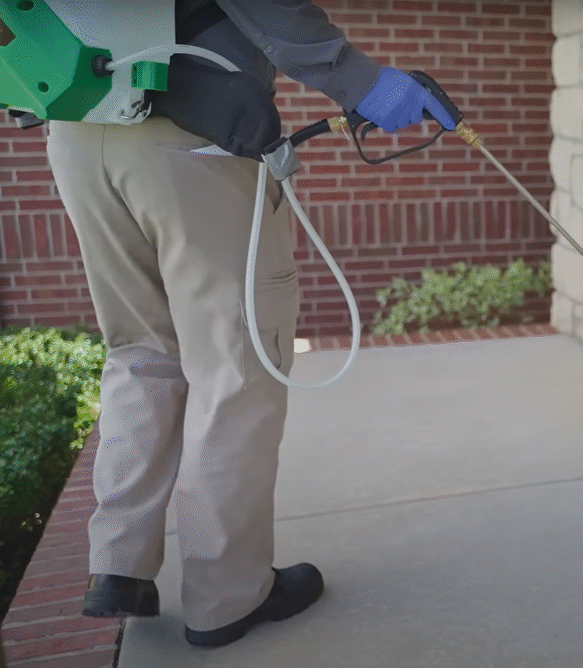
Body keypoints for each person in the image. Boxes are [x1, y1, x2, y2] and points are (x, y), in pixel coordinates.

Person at [45, 0, 454, 648]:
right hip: (188, 132)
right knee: (237, 366)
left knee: (141, 349)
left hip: (76, 127)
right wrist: (363, 81)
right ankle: (226, 596)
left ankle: (118, 565)